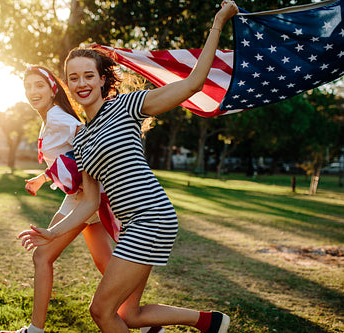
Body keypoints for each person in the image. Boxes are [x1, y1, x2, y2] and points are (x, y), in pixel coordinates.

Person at [18, 1, 238, 332]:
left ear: (102, 78)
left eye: (88, 75)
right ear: (66, 84)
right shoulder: (82, 139)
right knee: (128, 315)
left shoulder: (127, 105)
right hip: (133, 224)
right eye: (73, 77)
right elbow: (90, 203)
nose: (81, 83)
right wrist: (52, 231)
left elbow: (193, 83)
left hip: (152, 219)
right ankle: (210, 322)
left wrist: (218, 22)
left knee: (101, 311)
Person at [1, 66, 163, 333]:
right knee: (105, 263)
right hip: (87, 198)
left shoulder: (57, 117)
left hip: (83, 200)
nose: (33, 91)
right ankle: (146, 326)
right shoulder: (51, 117)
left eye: (39, 85)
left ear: (53, 88)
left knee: (42, 257)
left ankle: (35, 330)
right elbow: (69, 156)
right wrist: (43, 178)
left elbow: (85, 138)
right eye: (28, 86)